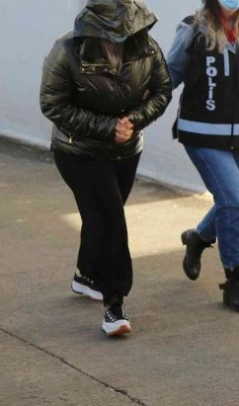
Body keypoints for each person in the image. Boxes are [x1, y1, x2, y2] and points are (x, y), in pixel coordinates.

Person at [39, 0, 172, 336]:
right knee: (111, 219)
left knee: (100, 217)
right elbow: (52, 104)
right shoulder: (66, 50)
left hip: (126, 149)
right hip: (78, 150)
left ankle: (86, 274)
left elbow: (162, 90)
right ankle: (115, 303)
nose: (119, 37)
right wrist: (106, 127)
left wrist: (134, 121)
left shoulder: (147, 48)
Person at [166, 0, 239, 313]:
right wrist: (136, 111)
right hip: (201, 133)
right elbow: (168, 75)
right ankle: (234, 282)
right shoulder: (193, 28)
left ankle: (198, 239)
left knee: (233, 202)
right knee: (234, 203)